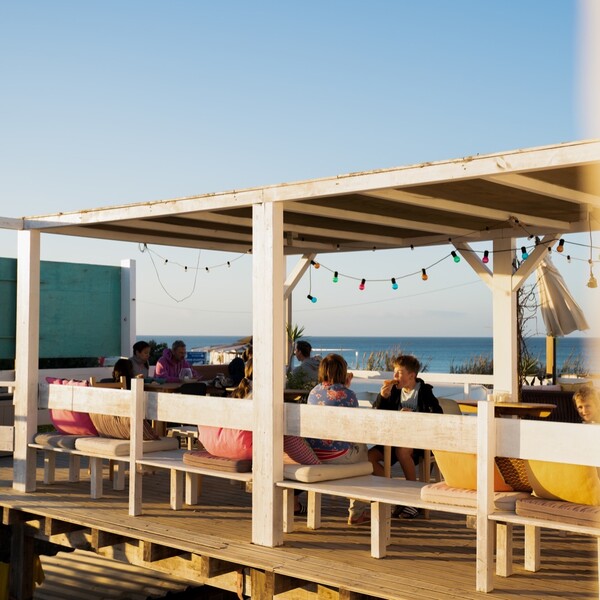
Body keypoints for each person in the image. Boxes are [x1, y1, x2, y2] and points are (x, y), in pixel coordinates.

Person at [198, 357, 321, 515]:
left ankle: (292, 500)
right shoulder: (263, 396)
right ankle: (292, 501)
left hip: (224, 445)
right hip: (247, 447)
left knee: (282, 448)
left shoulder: (239, 392)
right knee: (301, 458)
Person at [368, 354, 442, 519]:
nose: (395, 377)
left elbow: (438, 415)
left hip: (419, 442)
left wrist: (414, 415)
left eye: (399, 373)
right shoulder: (393, 391)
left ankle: (413, 499)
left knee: (402, 451)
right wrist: (382, 398)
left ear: (411, 375)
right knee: (368, 457)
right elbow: (377, 414)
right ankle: (397, 493)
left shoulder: (424, 392)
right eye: (394, 372)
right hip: (394, 439)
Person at [305, 353, 370, 525]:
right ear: (342, 372)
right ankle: (357, 513)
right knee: (362, 453)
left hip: (314, 454)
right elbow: (355, 427)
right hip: (337, 455)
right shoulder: (348, 395)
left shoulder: (314, 392)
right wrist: (346, 388)